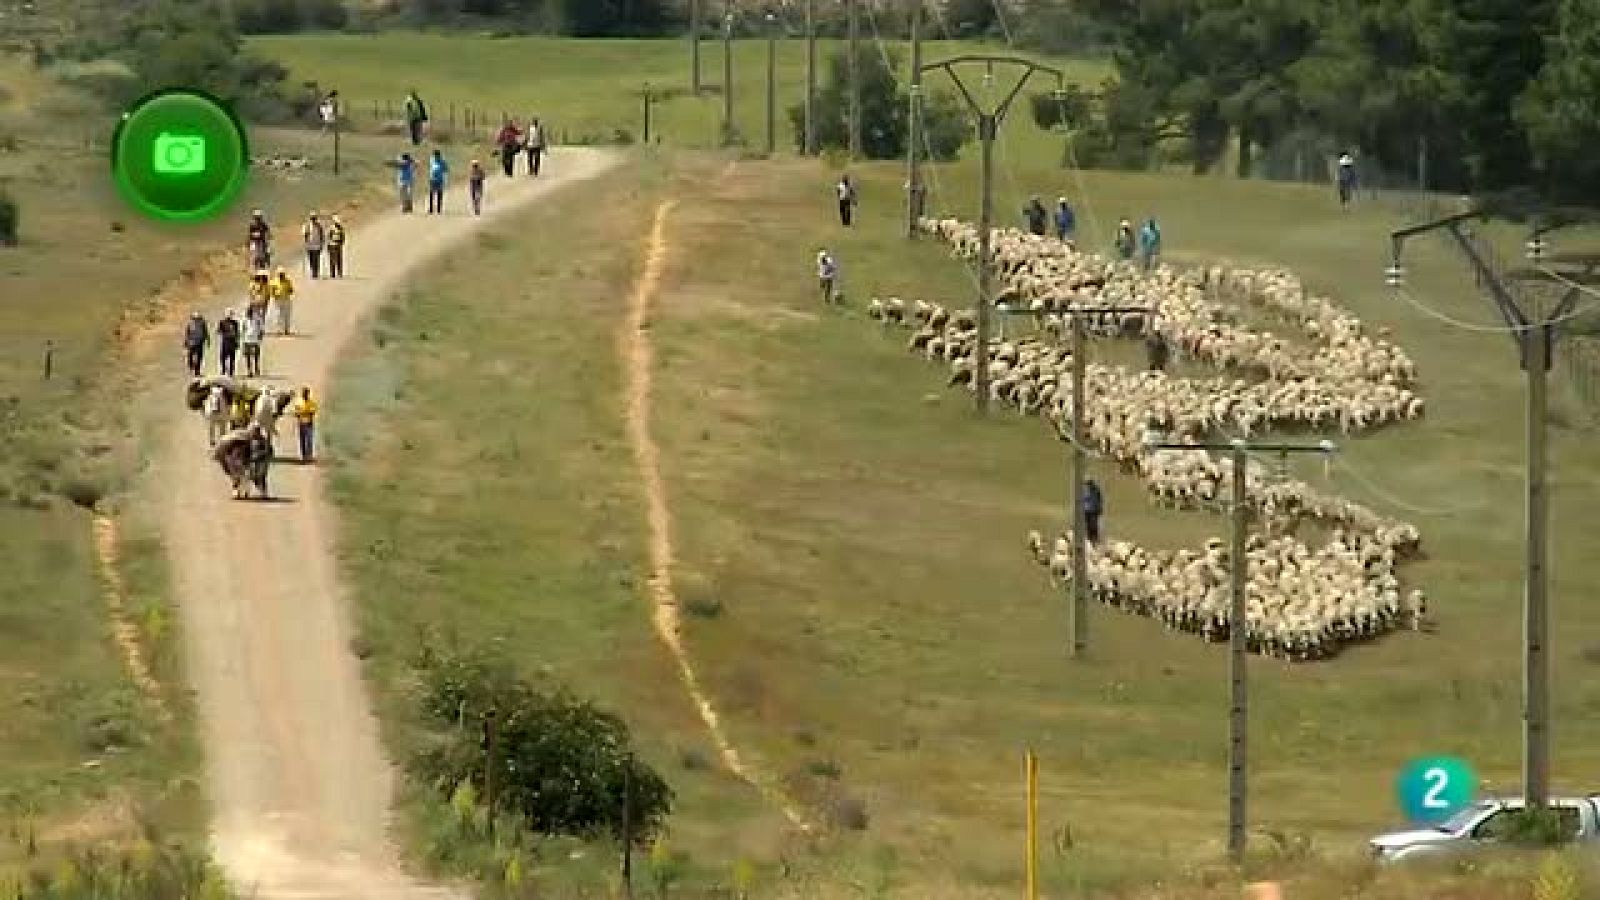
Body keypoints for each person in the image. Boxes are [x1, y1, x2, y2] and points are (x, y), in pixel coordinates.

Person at [290, 386, 319, 463]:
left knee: (309, 439)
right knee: (302, 440)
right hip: (301, 423)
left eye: (306, 393)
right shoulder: (299, 402)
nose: (305, 394)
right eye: (304, 393)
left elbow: (313, 411)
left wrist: (303, 412)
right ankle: (303, 456)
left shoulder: (311, 402)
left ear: (308, 394)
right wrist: (301, 413)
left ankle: (309, 455)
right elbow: (295, 412)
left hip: (309, 423)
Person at [270, 266, 295, 335]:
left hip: (286, 299)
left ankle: (286, 329)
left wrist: (288, 292)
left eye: (282, 274)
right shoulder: (274, 281)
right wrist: (275, 295)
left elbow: (291, 290)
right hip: (278, 300)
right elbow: (271, 291)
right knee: (278, 315)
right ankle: (279, 330)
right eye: (280, 274)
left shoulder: (287, 281)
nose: (281, 275)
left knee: (287, 315)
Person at [301, 211, 326, 279]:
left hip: (317, 245)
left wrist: (322, 244)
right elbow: (304, 235)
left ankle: (315, 273)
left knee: (316, 259)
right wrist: (305, 243)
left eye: (314, 218)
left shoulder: (319, 226)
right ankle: (313, 271)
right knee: (311, 260)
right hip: (309, 245)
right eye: (312, 218)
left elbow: (322, 236)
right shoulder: (307, 226)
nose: (313, 219)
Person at [183, 312, 209, 377]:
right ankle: (192, 367)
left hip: (199, 343)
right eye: (195, 318)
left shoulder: (202, 323)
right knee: (190, 356)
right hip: (191, 343)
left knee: (199, 357)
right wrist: (186, 342)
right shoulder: (190, 324)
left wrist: (207, 340)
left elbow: (205, 332)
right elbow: (187, 333)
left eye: (197, 318)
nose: (196, 319)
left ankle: (197, 371)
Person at [242, 307, 265, 378]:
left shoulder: (257, 319)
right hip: (247, 339)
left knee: (256, 355)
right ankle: (249, 370)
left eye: (249, 313)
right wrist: (243, 339)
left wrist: (260, 337)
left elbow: (261, 329)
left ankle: (256, 369)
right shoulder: (244, 319)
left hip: (255, 339)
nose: (248, 315)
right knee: (248, 356)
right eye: (247, 313)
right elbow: (242, 329)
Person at [217, 308, 241, 377]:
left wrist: (237, 341)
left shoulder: (235, 323)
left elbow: (237, 333)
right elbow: (219, 331)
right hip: (225, 342)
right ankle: (224, 370)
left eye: (230, 314)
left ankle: (231, 372)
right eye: (228, 313)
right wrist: (226, 334)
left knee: (232, 358)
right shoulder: (222, 322)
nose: (229, 315)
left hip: (232, 342)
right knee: (223, 358)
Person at [427, 149, 449, 215]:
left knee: (439, 194)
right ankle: (431, 209)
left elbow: (446, 170)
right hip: (432, 179)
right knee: (431, 194)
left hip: (439, 180)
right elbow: (431, 168)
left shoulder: (442, 161)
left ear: (438, 155)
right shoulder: (432, 160)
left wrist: (445, 179)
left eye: (436, 155)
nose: (435, 156)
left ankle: (439, 209)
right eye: (434, 155)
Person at [1083, 478, 1104, 544]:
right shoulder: (1084, 491)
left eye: (1089, 484)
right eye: (1087, 484)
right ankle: (1090, 539)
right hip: (1087, 511)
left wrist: (1100, 509)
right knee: (1088, 526)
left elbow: (1100, 500)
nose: (1088, 485)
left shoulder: (1096, 490)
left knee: (1094, 526)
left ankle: (1095, 540)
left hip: (1094, 511)